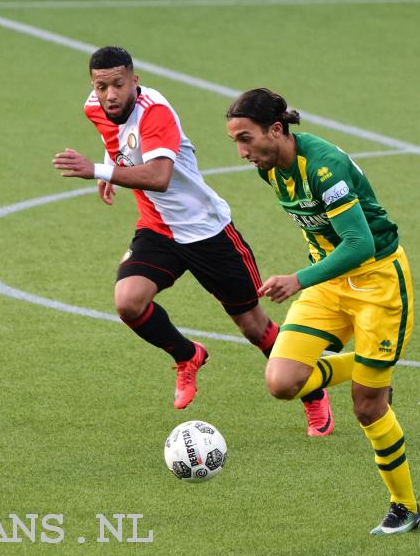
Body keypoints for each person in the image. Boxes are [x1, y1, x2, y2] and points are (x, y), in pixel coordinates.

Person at [52, 47, 320, 418]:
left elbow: (159, 177)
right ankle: (187, 355)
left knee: (253, 325)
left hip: (206, 230)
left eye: (118, 84)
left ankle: (313, 395)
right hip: (157, 229)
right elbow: (116, 140)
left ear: (135, 81)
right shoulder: (95, 108)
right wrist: (113, 167)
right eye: (101, 86)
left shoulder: (156, 113)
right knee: (128, 302)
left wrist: (100, 171)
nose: (110, 95)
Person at [225, 88, 420, 535]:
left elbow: (360, 244)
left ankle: (404, 506)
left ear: (276, 130)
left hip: (377, 283)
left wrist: (298, 279)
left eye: (246, 138)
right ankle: (374, 368)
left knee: (368, 408)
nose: (242, 152)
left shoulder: (324, 168)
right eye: (236, 141)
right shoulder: (271, 168)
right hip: (329, 284)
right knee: (281, 381)